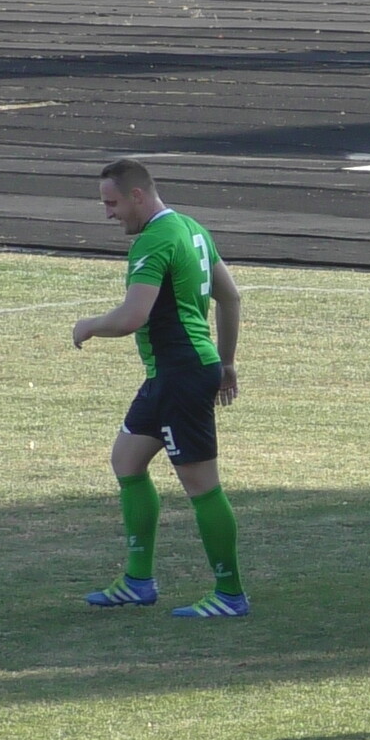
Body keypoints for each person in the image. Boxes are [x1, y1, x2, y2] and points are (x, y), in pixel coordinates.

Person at [72, 159, 248, 619]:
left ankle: (230, 594)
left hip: (180, 373)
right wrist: (226, 360)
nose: (108, 214)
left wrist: (88, 326)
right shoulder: (191, 229)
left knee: (200, 483)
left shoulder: (153, 240)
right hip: (174, 372)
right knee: (127, 460)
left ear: (137, 196)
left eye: (112, 204)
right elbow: (230, 297)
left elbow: (133, 318)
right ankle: (137, 581)